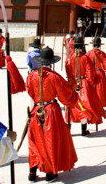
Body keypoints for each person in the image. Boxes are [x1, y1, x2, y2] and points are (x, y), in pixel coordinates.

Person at [26, 48, 82, 181]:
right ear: (51, 62)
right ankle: (49, 172)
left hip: (35, 110)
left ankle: (32, 172)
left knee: (35, 141)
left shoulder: (31, 76)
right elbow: (65, 96)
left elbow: (30, 94)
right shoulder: (54, 76)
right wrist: (74, 94)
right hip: (51, 110)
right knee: (50, 140)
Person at [65, 37, 105, 135]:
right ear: (82, 47)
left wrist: (71, 81)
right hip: (83, 83)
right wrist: (89, 83)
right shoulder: (85, 58)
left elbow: (68, 72)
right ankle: (83, 129)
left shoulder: (69, 59)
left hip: (72, 83)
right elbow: (90, 73)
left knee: (72, 105)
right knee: (84, 105)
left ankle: (69, 128)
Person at [87, 37, 106, 108]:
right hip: (100, 73)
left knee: (92, 89)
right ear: (100, 45)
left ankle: (93, 105)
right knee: (100, 90)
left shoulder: (89, 53)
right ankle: (100, 105)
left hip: (91, 73)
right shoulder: (102, 54)